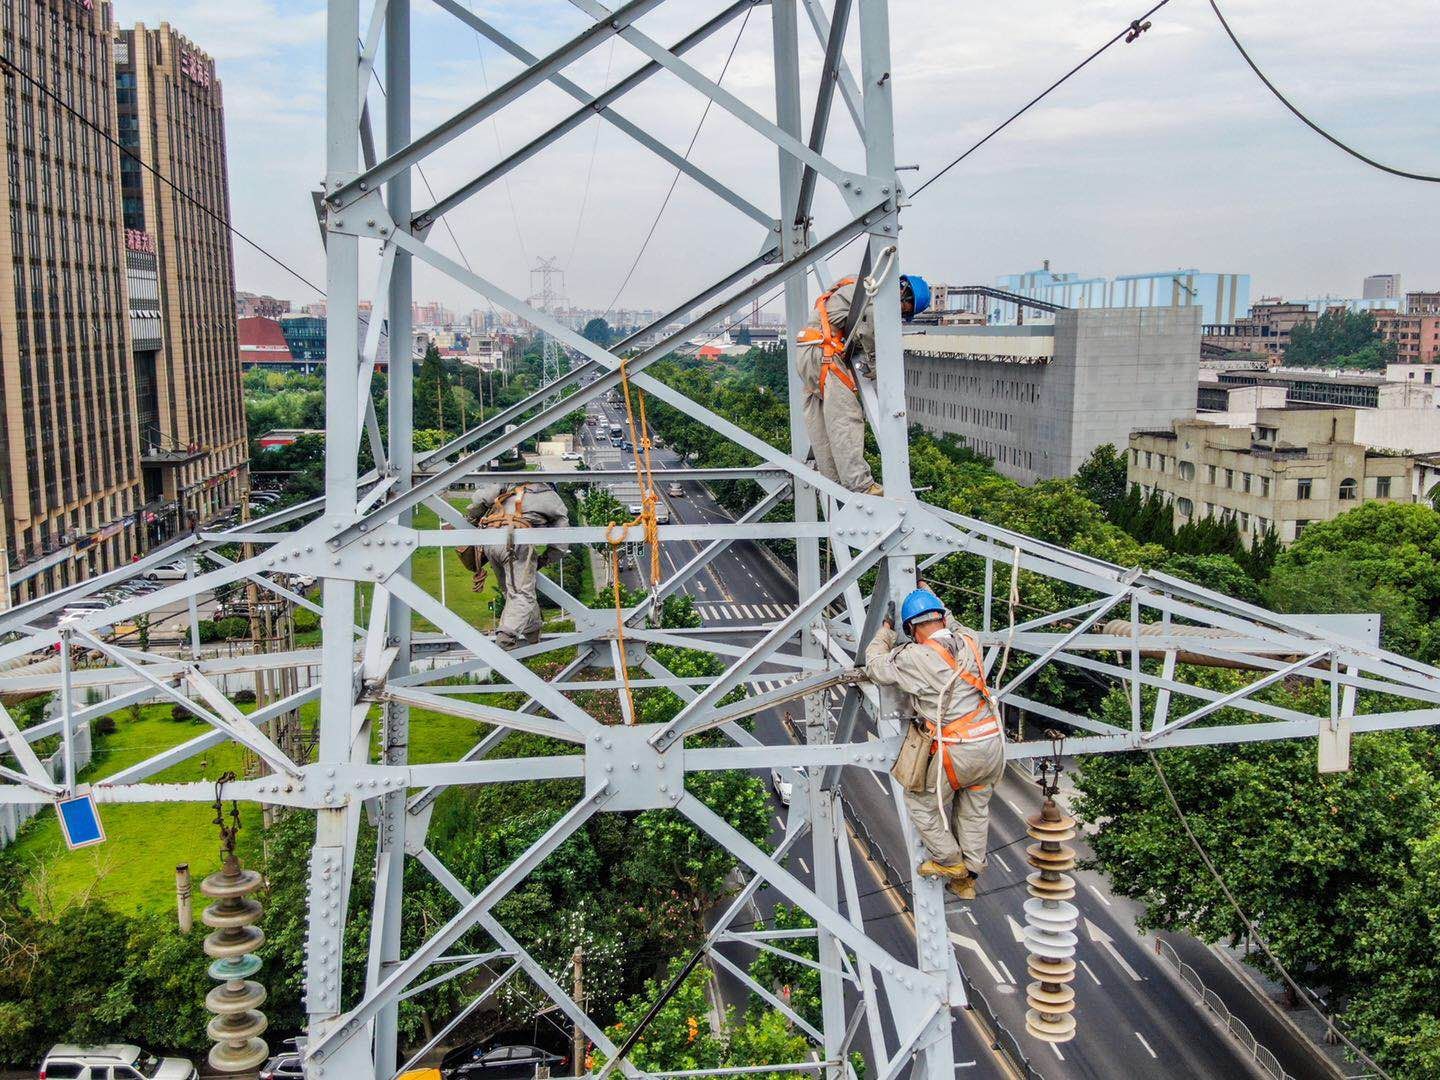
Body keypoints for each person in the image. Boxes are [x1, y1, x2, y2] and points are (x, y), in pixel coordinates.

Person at [864, 586, 1003, 899]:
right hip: (992, 744)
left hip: (956, 750)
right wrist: (935, 598)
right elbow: (952, 624)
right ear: (941, 617)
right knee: (974, 808)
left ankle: (949, 862)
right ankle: (969, 876)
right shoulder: (970, 641)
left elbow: (875, 666)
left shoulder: (914, 656)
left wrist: (885, 634)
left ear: (911, 629)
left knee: (921, 802)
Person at [795, 273, 930, 495]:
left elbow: (854, 325)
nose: (900, 314)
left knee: (821, 423)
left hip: (809, 352)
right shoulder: (876, 294)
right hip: (823, 353)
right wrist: (877, 368)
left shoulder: (855, 286)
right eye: (904, 310)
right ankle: (861, 484)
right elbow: (870, 329)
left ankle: (834, 486)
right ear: (905, 295)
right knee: (845, 416)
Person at [462, 481, 570, 649]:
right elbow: (561, 542)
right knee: (522, 594)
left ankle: (533, 634)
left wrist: (472, 515)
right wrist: (545, 559)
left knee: (512, 591)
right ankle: (506, 637)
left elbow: (479, 499)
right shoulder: (552, 497)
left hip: (490, 540)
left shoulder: (509, 487)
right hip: (515, 540)